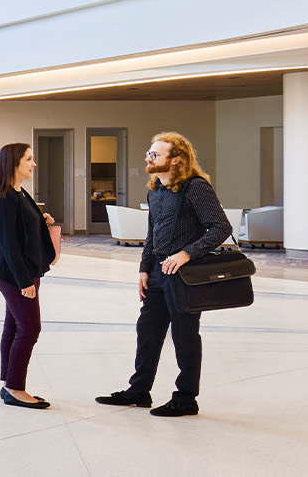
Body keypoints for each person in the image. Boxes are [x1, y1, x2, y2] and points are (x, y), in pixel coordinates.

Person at [97, 132, 229, 417]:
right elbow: (151, 233)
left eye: (155, 154)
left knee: (184, 335)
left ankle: (185, 398)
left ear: (176, 159)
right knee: (147, 331)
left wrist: (186, 254)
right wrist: (144, 268)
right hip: (157, 272)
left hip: (185, 274)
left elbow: (220, 227)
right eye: (149, 152)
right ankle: (139, 391)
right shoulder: (155, 189)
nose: (148, 157)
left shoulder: (195, 188)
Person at [0, 142, 56, 409]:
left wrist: (41, 220)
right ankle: (15, 388)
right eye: (29, 159)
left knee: (14, 326)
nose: (33, 163)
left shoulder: (19, 193)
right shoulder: (4, 198)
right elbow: (8, 245)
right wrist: (24, 282)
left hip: (24, 270)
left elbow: (20, 227)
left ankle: (9, 383)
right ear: (13, 163)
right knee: (29, 328)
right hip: (15, 274)